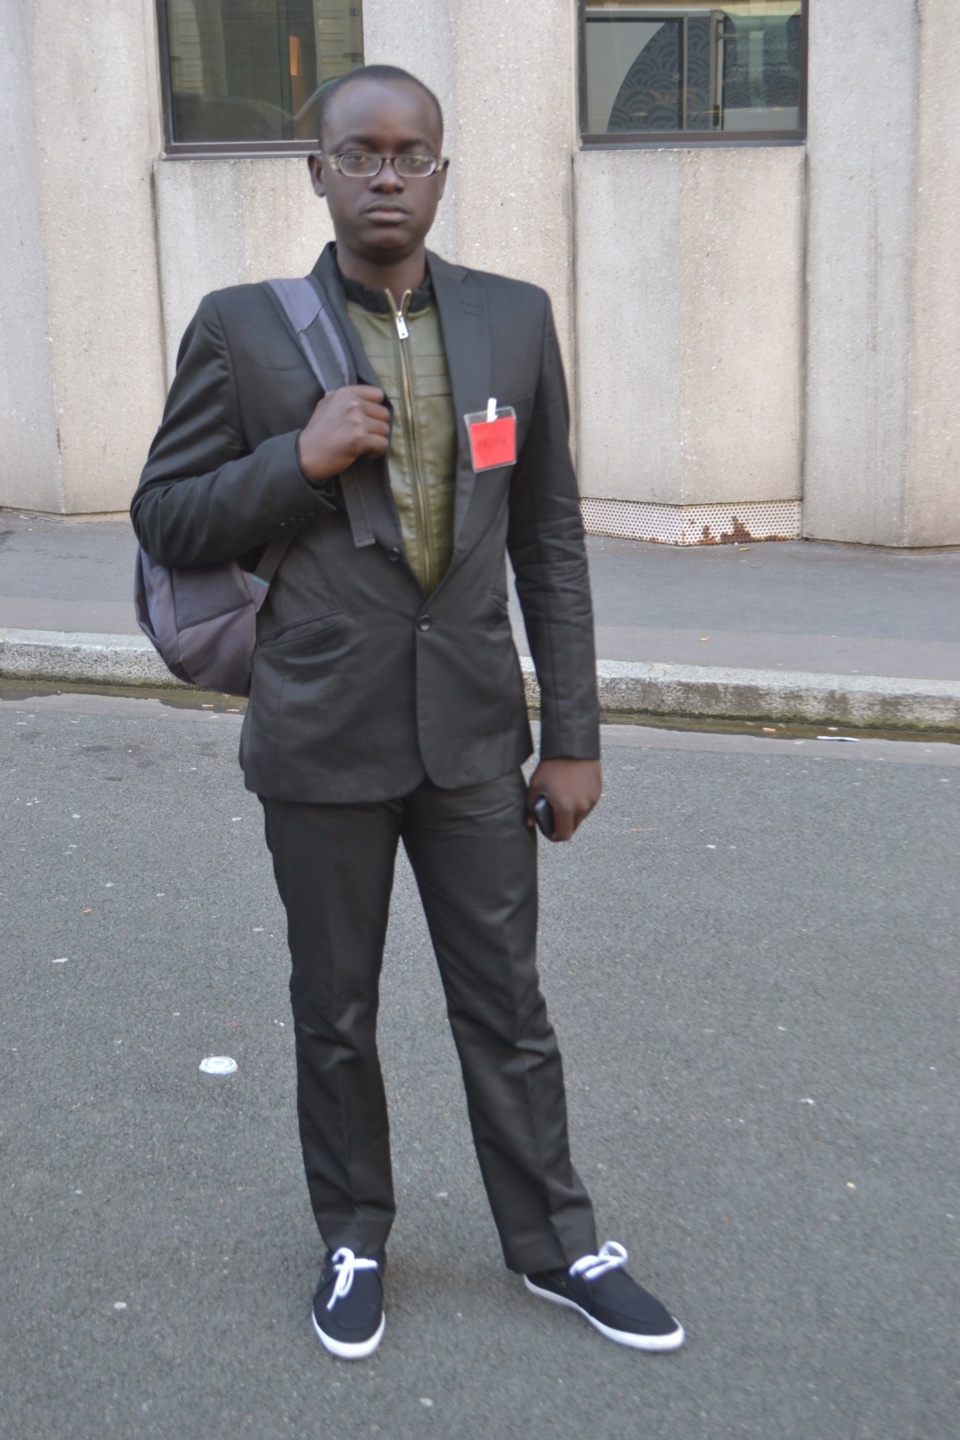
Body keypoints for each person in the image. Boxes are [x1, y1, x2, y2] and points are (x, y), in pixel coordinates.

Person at [132, 64, 683, 1361]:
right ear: (315, 171)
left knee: (506, 999)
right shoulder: (240, 330)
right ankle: (353, 1236)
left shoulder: (509, 318)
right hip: (320, 731)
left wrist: (577, 735)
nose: (386, 175)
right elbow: (167, 517)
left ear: (441, 171)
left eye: (410, 153)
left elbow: (548, 539)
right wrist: (296, 458)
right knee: (334, 1006)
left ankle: (558, 1240)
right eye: (359, 153)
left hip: (477, 734)